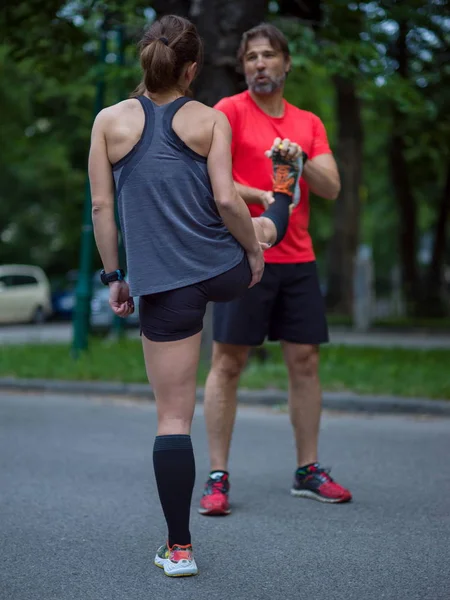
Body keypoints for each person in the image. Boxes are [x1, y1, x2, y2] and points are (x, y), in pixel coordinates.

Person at [88, 15, 302, 578]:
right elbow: (227, 201)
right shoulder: (209, 120)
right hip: (223, 268)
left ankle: (179, 549)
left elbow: (102, 209)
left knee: (172, 418)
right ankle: (285, 188)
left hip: (166, 287)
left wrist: (115, 278)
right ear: (192, 68)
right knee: (261, 223)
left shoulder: (109, 122)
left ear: (145, 61)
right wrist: (255, 252)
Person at [199, 23, 352, 517]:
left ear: (286, 64)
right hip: (242, 255)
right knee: (228, 361)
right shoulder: (228, 113)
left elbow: (332, 186)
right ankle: (217, 476)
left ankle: (308, 470)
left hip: (298, 258)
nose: (260, 64)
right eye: (252, 58)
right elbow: (210, 176)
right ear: (244, 66)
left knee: (305, 361)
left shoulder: (307, 121)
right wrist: (262, 196)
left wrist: (299, 158)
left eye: (269, 56)